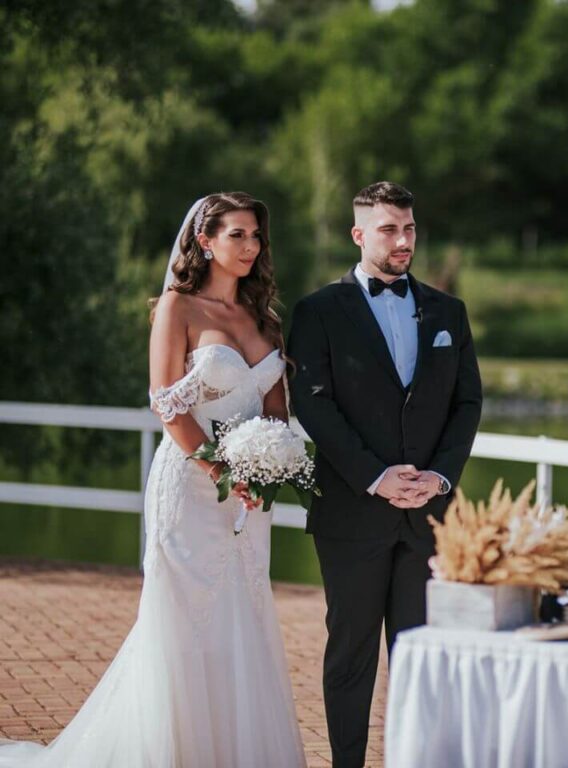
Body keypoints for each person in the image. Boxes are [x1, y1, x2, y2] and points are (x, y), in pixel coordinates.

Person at [0, 192, 306, 767]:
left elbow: (274, 405)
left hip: (248, 499)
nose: (250, 246)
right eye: (237, 234)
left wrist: (267, 462)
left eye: (256, 236)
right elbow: (166, 404)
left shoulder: (264, 317)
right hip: (190, 489)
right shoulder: (178, 307)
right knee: (183, 621)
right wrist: (221, 468)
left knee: (245, 615)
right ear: (205, 241)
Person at [288, 181, 482, 768]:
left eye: (410, 228)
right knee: (351, 656)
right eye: (389, 229)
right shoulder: (318, 311)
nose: (403, 241)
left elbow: (467, 403)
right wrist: (375, 477)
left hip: (429, 515)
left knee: (421, 657)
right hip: (352, 512)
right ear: (359, 234)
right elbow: (313, 405)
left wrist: (439, 478)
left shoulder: (448, 313)